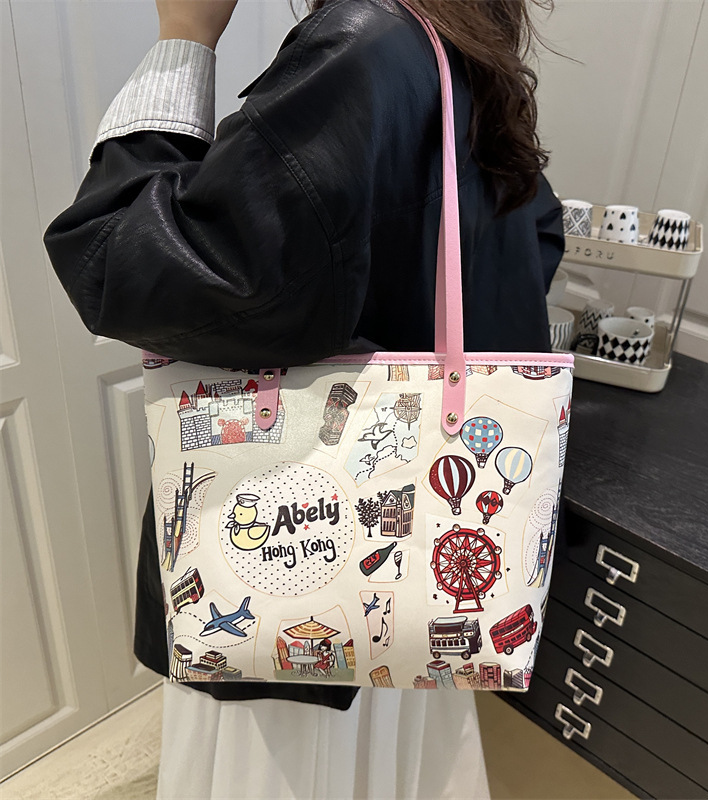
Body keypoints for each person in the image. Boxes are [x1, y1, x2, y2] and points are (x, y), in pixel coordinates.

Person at [44, 0, 564, 796]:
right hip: (415, 576)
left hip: (294, 581)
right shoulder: (457, 41)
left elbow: (122, 266)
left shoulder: (358, 44)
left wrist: (184, 41)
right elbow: (536, 235)